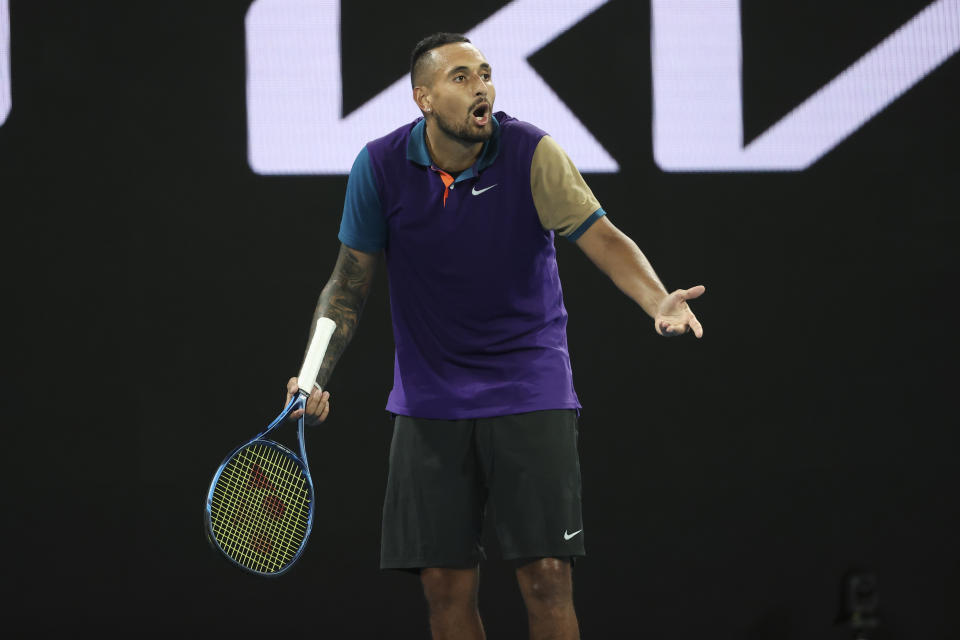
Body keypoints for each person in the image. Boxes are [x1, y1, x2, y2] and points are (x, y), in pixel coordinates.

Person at [284, 32, 705, 640]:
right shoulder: (377, 167)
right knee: (444, 587)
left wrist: (656, 298)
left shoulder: (533, 154)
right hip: (429, 402)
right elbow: (347, 284)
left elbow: (603, 237)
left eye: (484, 74)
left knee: (546, 578)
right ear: (422, 99)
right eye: (461, 77)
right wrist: (314, 372)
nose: (481, 86)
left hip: (528, 388)